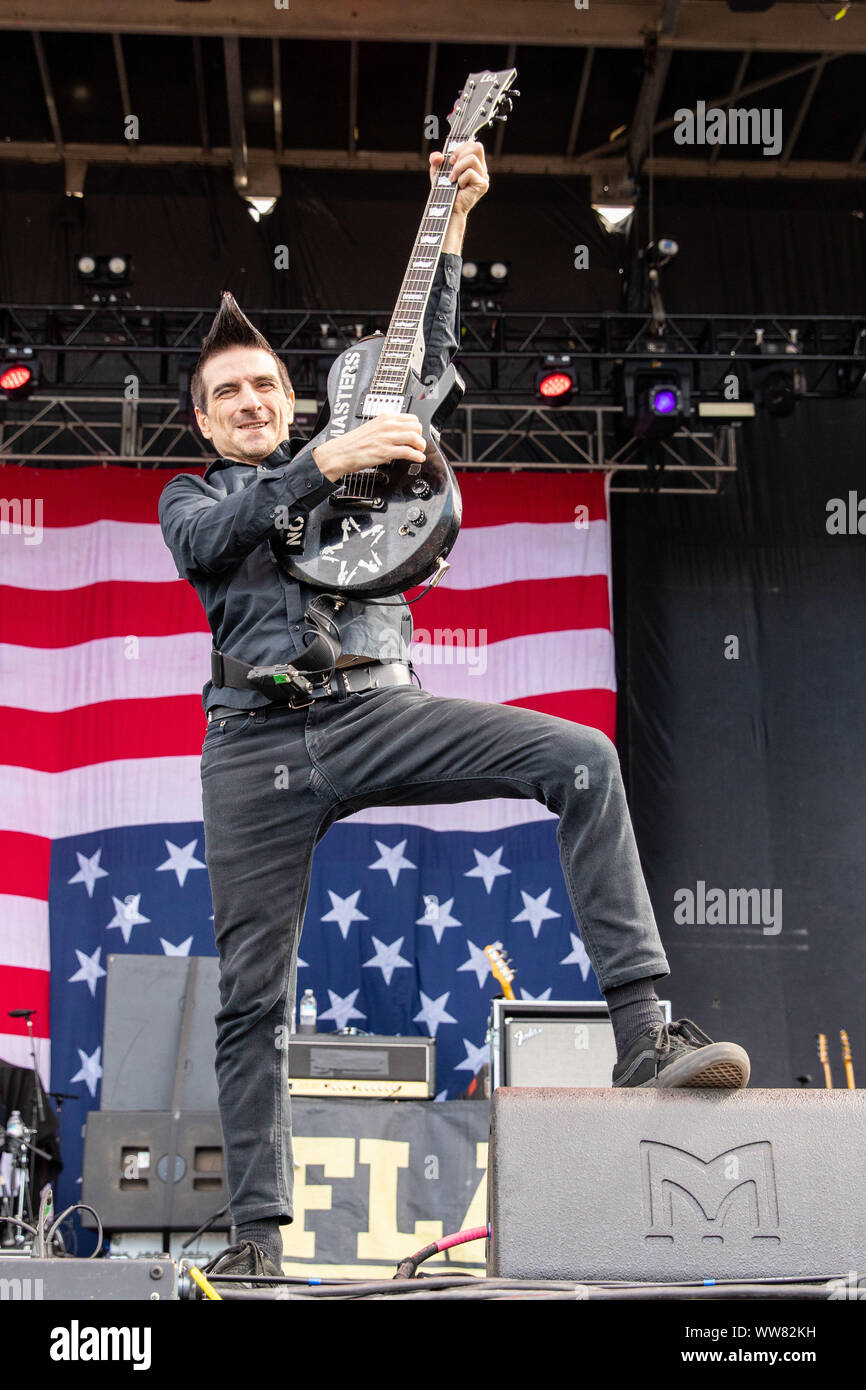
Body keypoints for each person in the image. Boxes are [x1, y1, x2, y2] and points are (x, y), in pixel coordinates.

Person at [158, 140, 750, 1280]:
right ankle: (254, 1245)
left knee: (578, 758)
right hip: (251, 745)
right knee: (248, 1000)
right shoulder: (202, 495)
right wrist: (320, 462)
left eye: (264, 387)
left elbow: (417, 361)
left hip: (376, 708)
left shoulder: (360, 459)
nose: (247, 401)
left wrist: (453, 210)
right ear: (203, 421)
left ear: (290, 399)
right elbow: (210, 540)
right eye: (227, 393)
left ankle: (642, 1036)